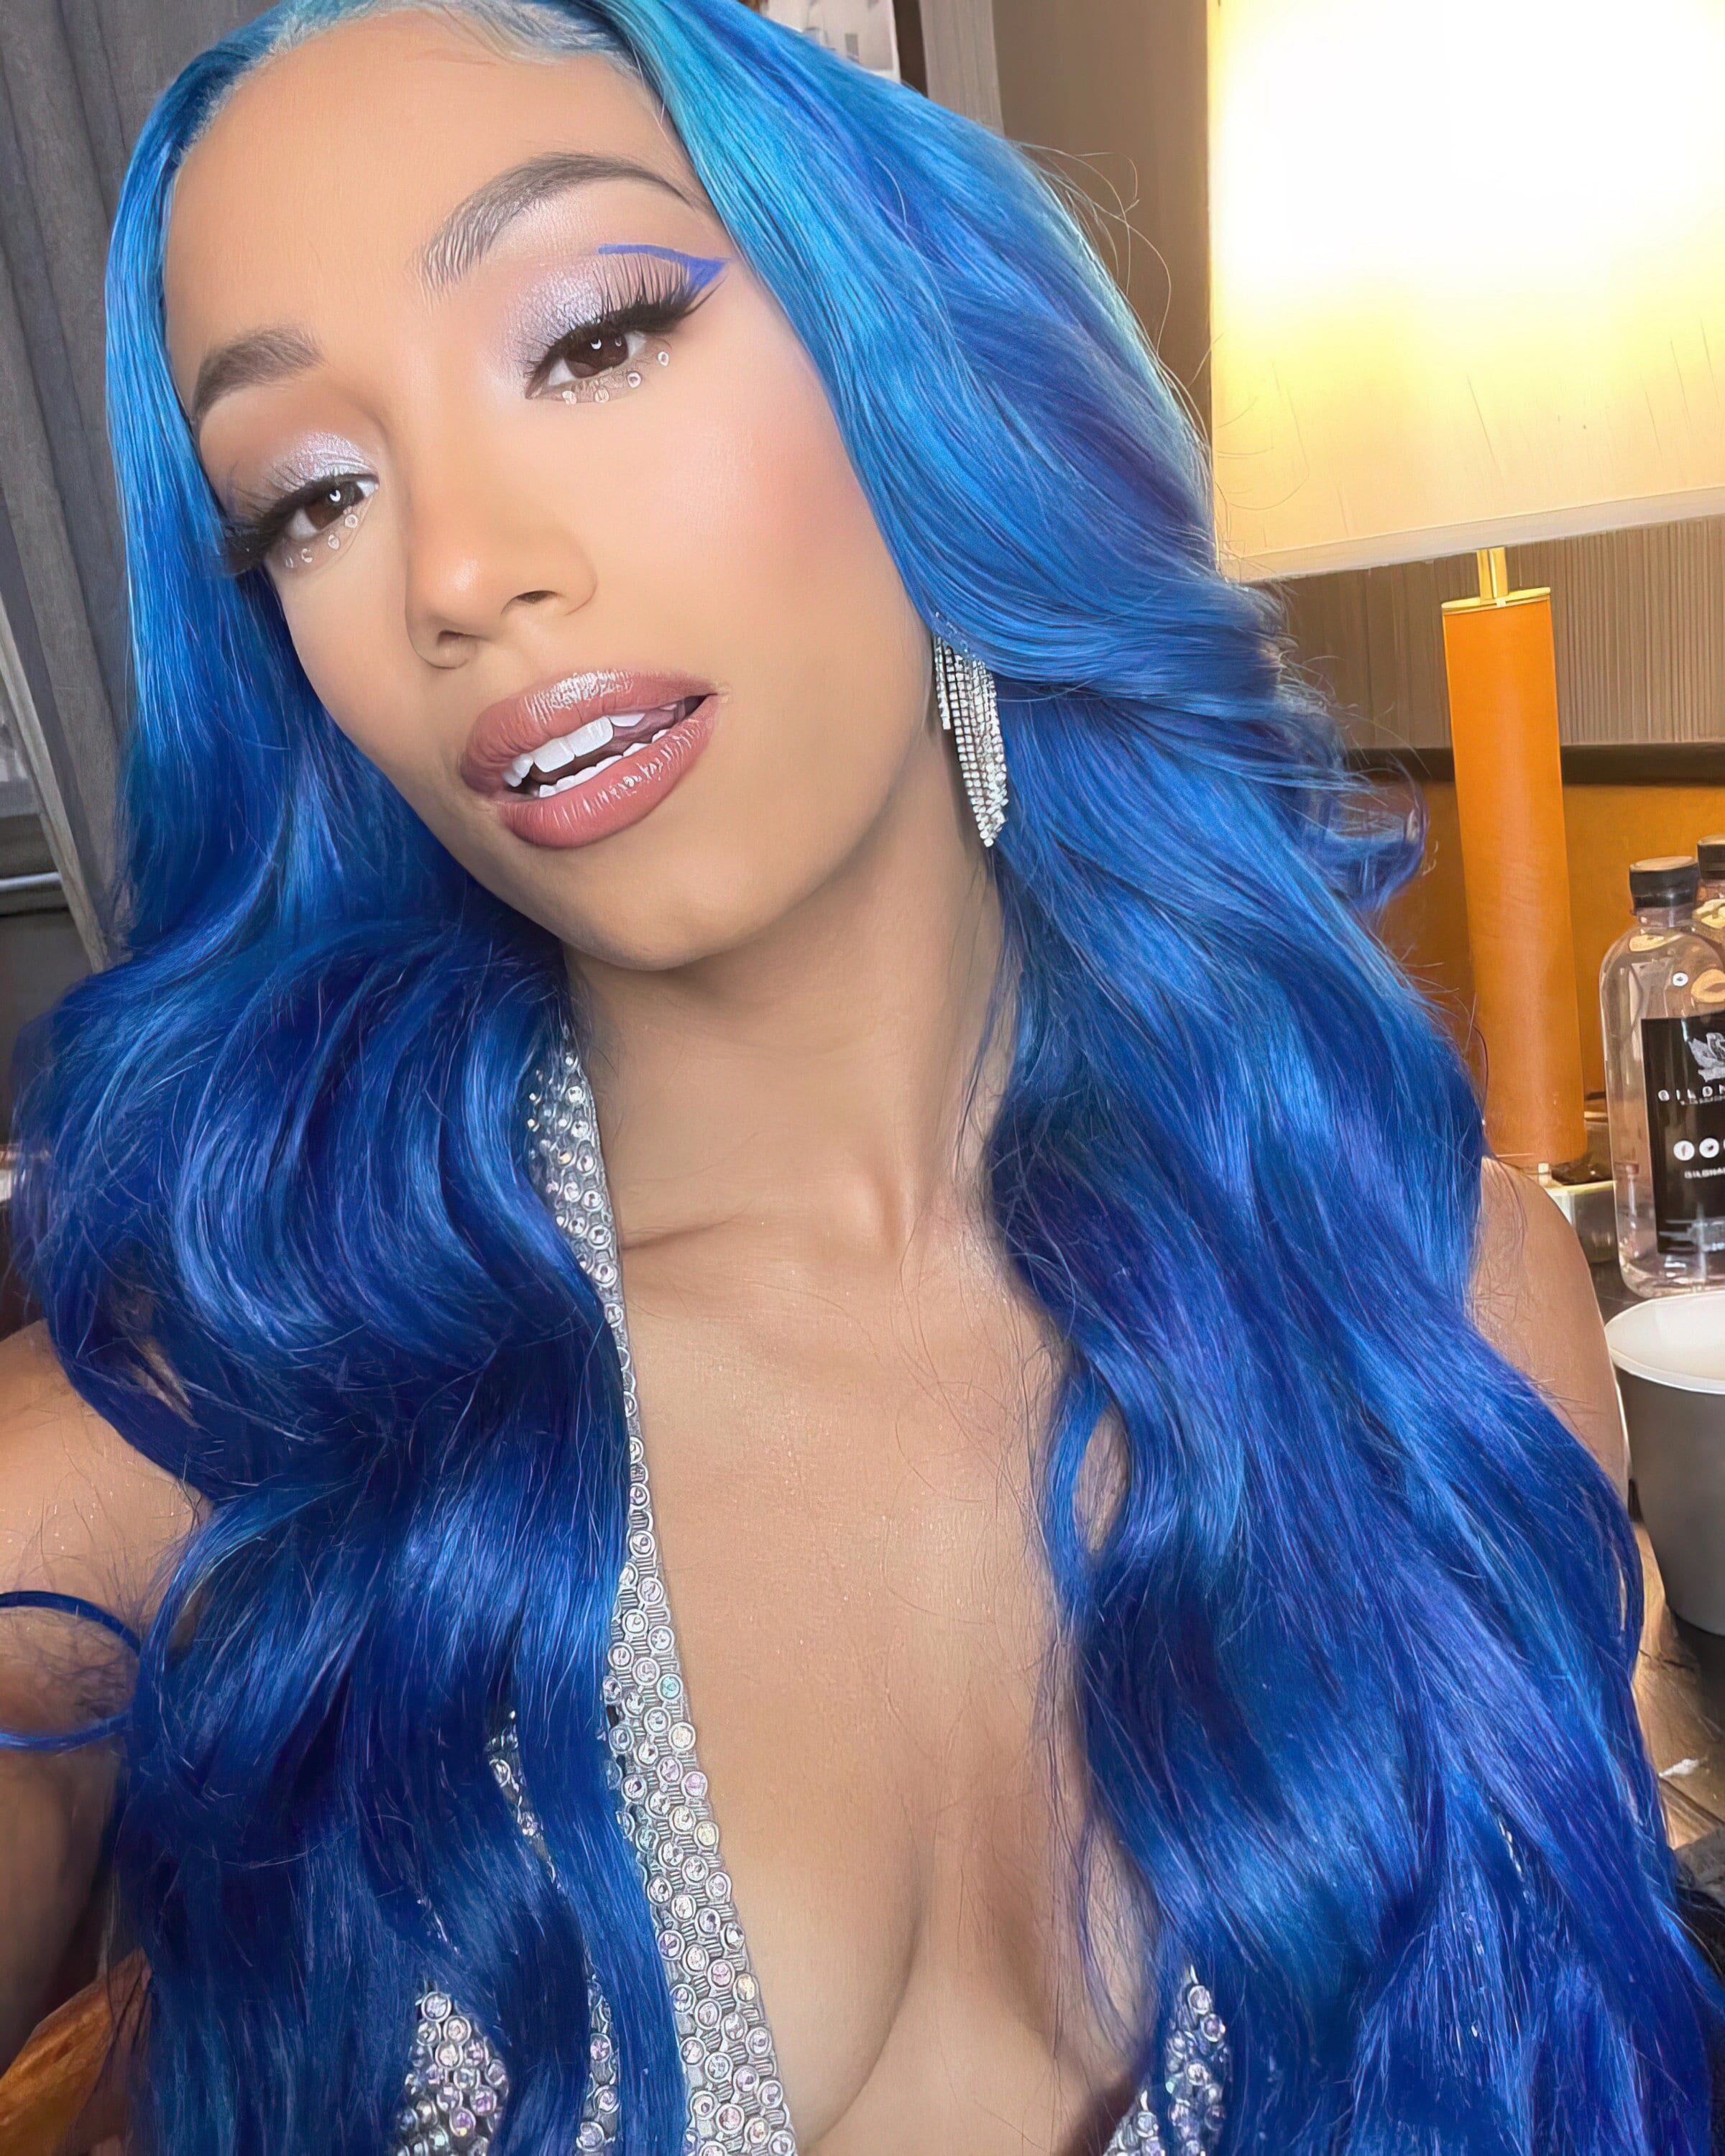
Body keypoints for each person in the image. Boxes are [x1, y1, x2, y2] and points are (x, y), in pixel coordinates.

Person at [0, 1, 1707, 2150]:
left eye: (594, 340)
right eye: (314, 496)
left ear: (907, 357)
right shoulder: (208, 1448)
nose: (456, 575)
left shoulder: (1434, 1302)